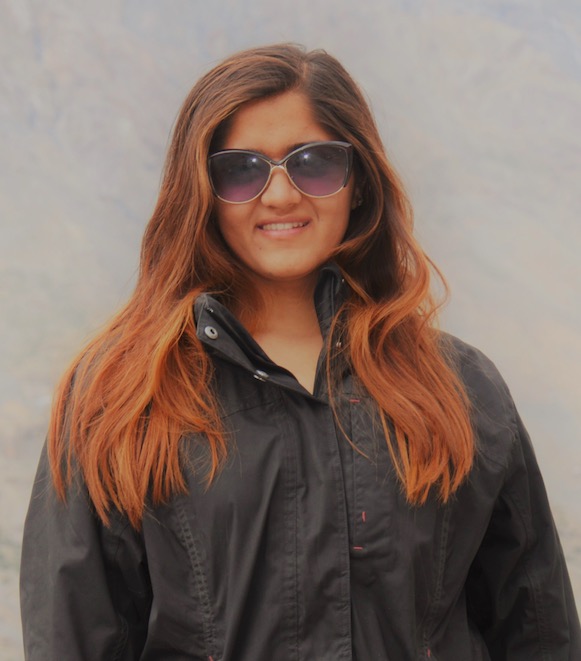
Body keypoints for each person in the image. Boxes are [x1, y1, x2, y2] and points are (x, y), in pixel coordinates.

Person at [20, 43, 580, 660]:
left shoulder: (461, 389)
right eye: (242, 169)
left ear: (358, 182)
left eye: (314, 163)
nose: (281, 195)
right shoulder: (119, 397)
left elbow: (539, 633)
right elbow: (73, 638)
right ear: (202, 190)